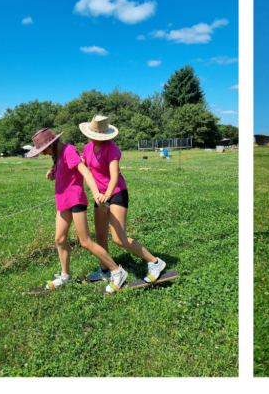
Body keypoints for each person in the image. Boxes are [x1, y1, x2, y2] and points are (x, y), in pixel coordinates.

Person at [26, 128, 128, 291]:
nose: (43, 153)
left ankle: (116, 270)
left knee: (85, 242)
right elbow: (67, 171)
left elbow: (86, 173)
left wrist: (97, 195)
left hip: (75, 200)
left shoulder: (68, 150)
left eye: (43, 149)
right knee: (59, 239)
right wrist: (53, 172)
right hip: (62, 201)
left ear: (51, 144)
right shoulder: (58, 155)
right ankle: (65, 276)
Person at [79, 115, 168, 284]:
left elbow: (114, 176)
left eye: (98, 136)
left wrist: (108, 195)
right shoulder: (87, 148)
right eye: (92, 135)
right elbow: (82, 167)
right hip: (100, 196)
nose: (94, 138)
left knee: (119, 238)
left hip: (116, 192)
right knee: (100, 236)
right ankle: (104, 271)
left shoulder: (111, 148)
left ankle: (155, 262)